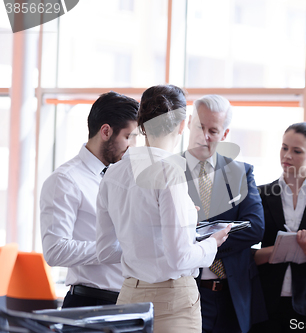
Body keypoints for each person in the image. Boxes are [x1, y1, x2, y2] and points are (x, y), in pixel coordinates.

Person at [95, 85, 230, 332]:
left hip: (128, 298)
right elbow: (179, 257)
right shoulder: (170, 171)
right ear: (181, 125)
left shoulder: (112, 173)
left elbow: (105, 252)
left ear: (141, 122)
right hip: (172, 302)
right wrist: (212, 242)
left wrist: (140, 246)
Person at [40, 91, 139, 308]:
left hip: (127, 303)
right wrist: (119, 248)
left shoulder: (122, 177)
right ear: (106, 131)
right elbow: (55, 251)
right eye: (128, 137)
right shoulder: (64, 180)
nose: (132, 147)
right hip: (89, 304)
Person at [184, 94, 266, 333]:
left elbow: (255, 227)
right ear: (189, 122)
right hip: (187, 293)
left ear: (225, 135)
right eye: (200, 126)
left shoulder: (240, 172)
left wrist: (207, 243)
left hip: (233, 296)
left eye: (213, 130)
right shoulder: (169, 170)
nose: (205, 136)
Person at [251, 122, 306, 333]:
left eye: (296, 151)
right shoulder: (259, 194)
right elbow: (243, 253)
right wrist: (275, 251)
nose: (287, 156)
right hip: (263, 303)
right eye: (284, 147)